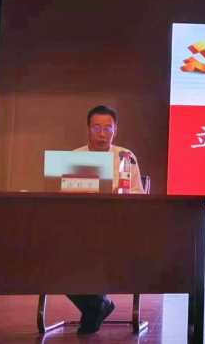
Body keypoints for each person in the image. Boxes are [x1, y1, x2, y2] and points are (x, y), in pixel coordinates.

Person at [67, 105, 145, 334]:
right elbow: (63, 196)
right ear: (87, 129)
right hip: (79, 228)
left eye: (107, 129)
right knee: (55, 256)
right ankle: (96, 304)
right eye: (96, 128)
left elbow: (138, 196)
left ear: (115, 131)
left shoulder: (125, 156)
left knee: (95, 251)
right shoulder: (74, 157)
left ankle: (94, 306)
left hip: (116, 228)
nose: (102, 134)